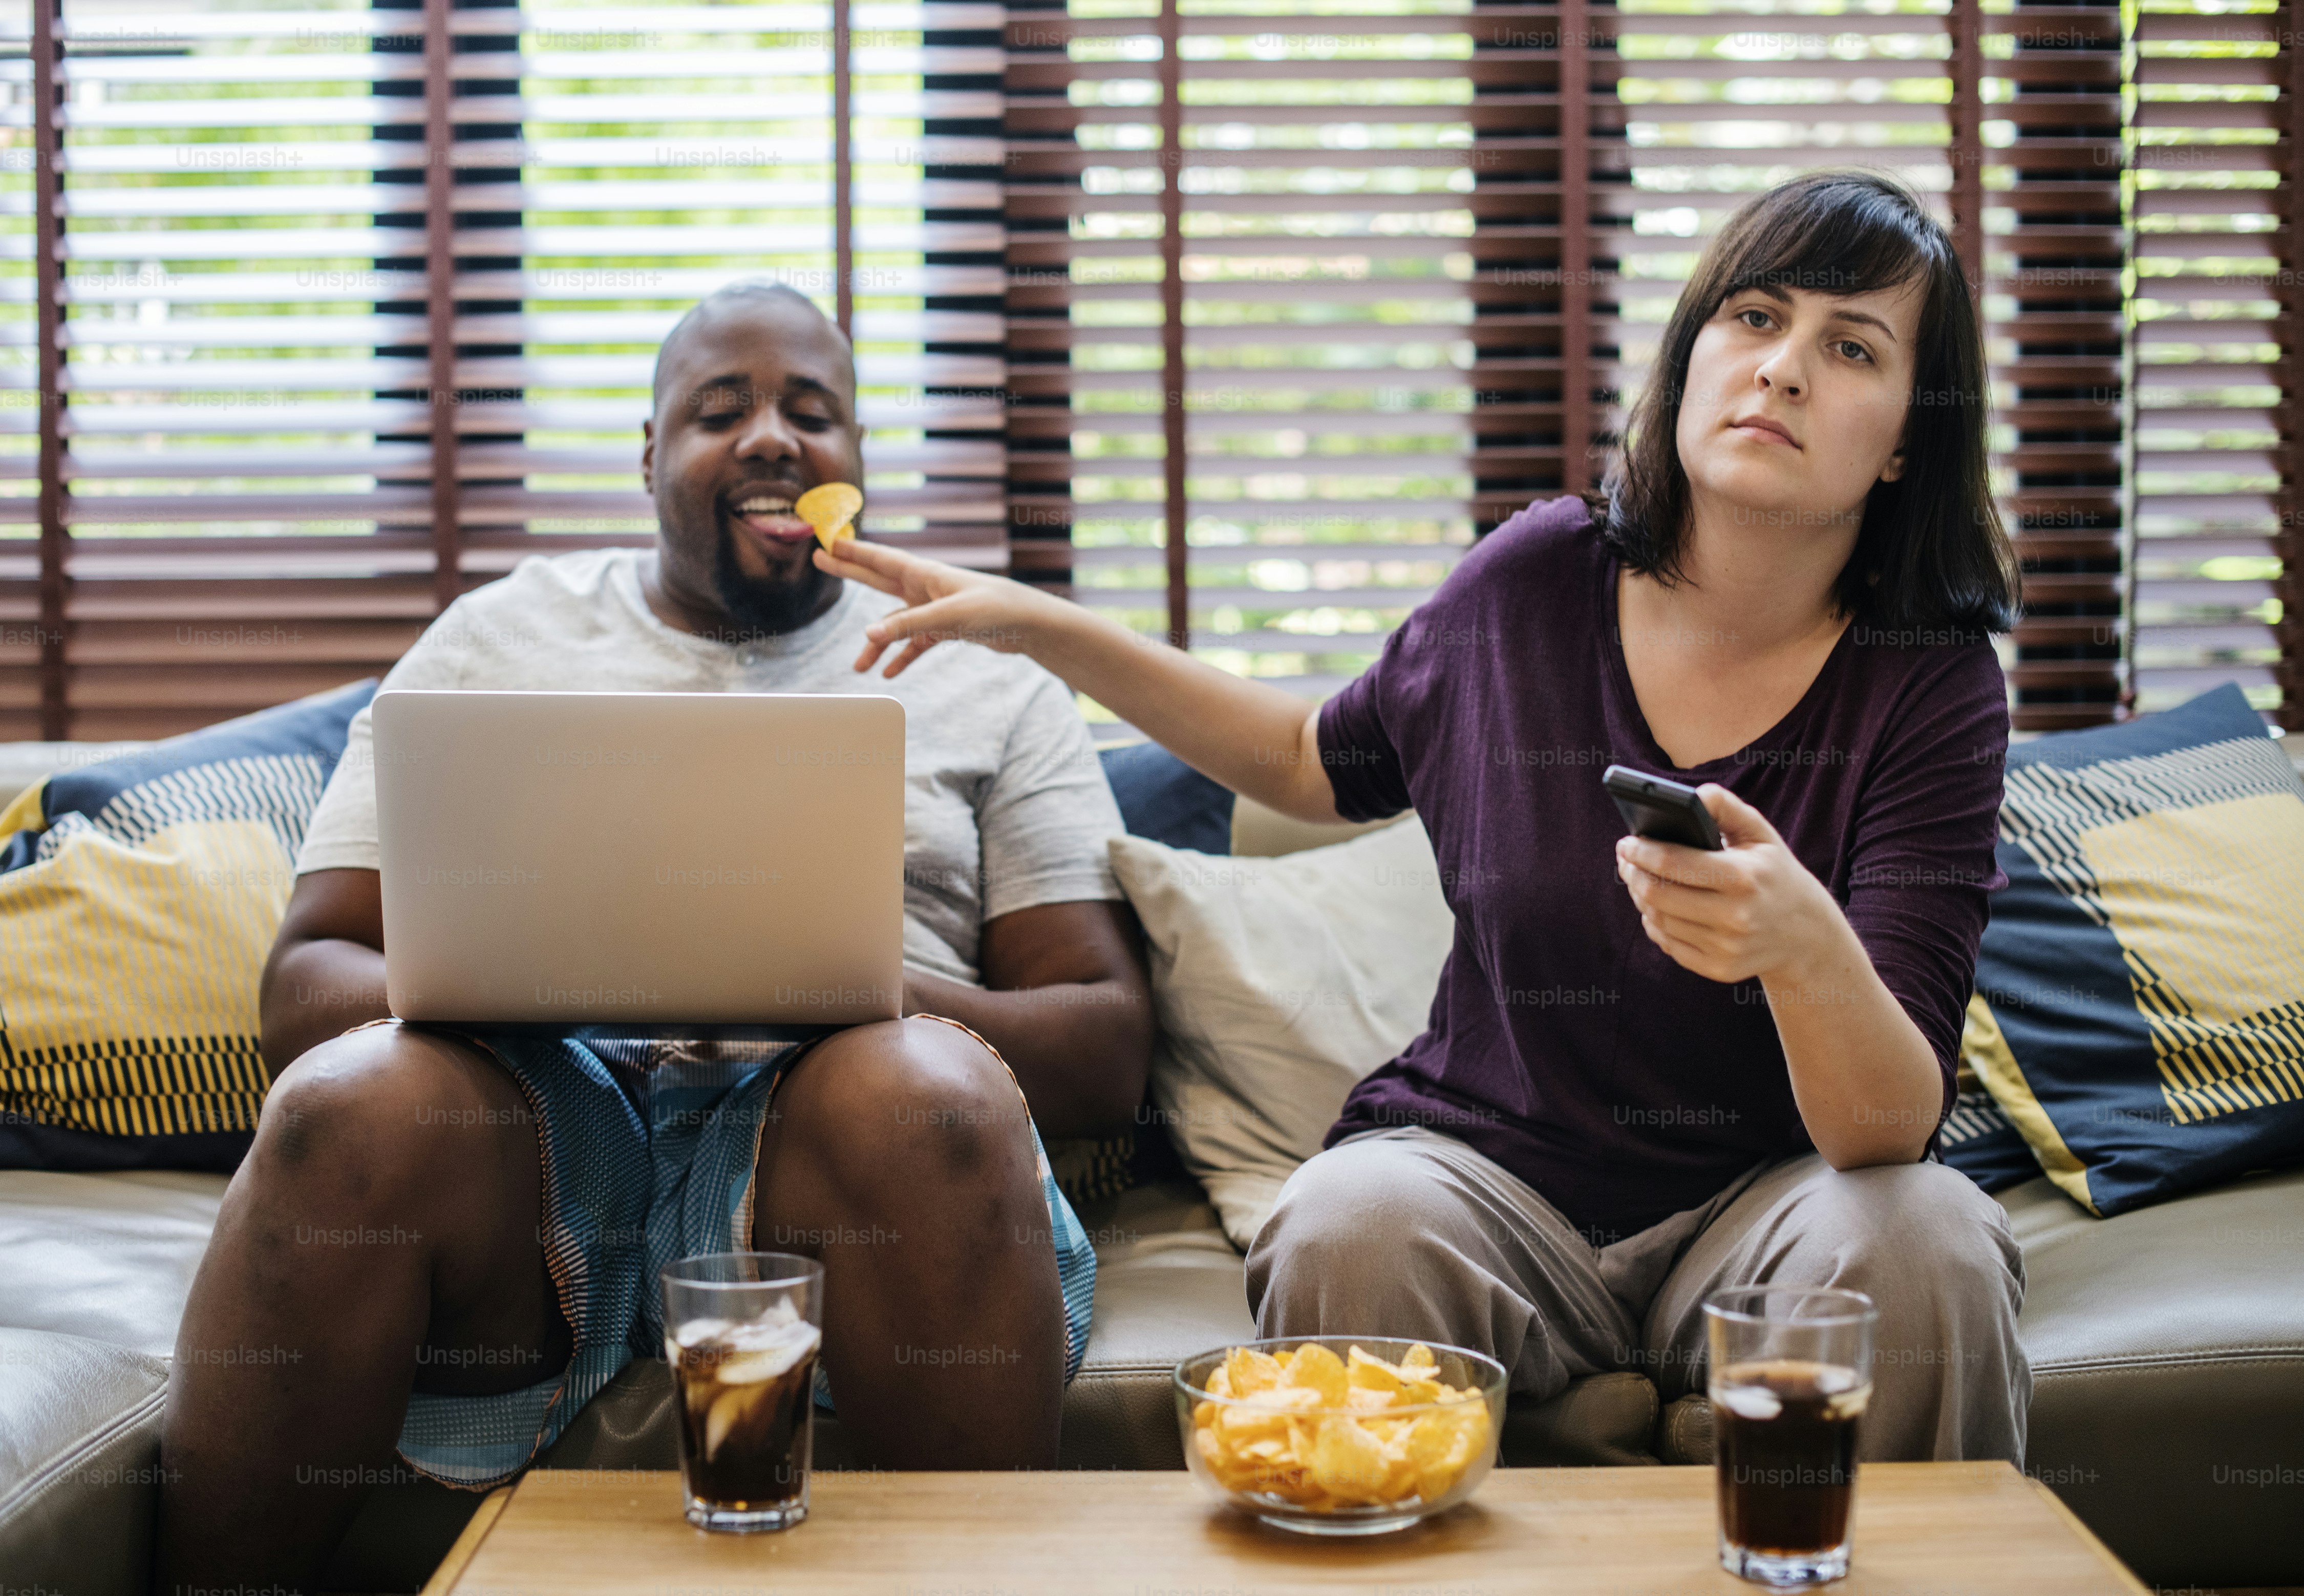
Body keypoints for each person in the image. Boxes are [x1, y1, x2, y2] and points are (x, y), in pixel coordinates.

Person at [813, 171, 2033, 1462]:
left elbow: (1883, 1129)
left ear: (1906, 437)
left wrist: (1801, 945)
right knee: (1346, 1217)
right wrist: (1034, 622)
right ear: (1691, 358)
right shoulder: (1537, 582)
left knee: (1931, 1236)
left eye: (1851, 347)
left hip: (1774, 1211)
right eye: (1754, 317)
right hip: (1494, 1186)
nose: (1782, 369)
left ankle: (1600, 1435)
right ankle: (1582, 1427)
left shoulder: (1931, 680)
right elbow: (1306, 757)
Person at [159, 283, 1155, 1587]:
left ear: (857, 463)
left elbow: (1103, 1042)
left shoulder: (986, 669)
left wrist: (845, 983)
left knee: (923, 1092)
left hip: (849, 1161)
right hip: (531, 1136)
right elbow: (306, 986)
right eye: (719, 409)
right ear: (647, 456)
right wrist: (551, 971)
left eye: (814, 412)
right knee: (346, 1100)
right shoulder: (495, 637)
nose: (772, 438)